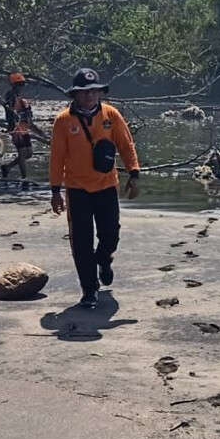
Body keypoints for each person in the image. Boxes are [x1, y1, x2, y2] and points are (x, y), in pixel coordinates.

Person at [49, 67, 140, 308]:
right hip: (77, 189)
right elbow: (57, 157)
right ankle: (89, 290)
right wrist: (55, 190)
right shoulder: (63, 121)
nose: (89, 96)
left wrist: (134, 173)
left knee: (110, 234)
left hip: (106, 185)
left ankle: (104, 259)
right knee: (80, 242)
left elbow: (126, 145)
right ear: (75, 95)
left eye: (93, 91)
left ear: (99, 92)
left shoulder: (111, 115)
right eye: (84, 92)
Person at [1, 71, 36, 188]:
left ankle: (8, 167)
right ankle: (24, 177)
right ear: (14, 85)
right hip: (15, 127)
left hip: (24, 128)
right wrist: (14, 114)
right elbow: (9, 109)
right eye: (19, 84)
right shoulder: (10, 95)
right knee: (22, 153)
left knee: (29, 153)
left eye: (22, 84)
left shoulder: (21, 98)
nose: (22, 87)